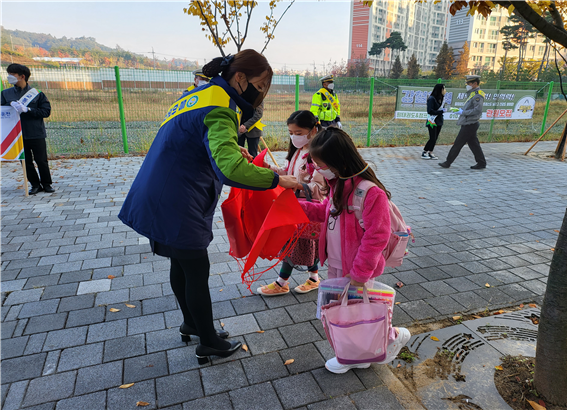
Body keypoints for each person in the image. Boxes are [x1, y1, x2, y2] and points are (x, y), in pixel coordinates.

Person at [118, 50, 299, 365]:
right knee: (197, 269)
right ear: (239, 78)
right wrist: (276, 179)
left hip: (161, 191)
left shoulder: (202, 94)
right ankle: (209, 342)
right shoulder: (221, 106)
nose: (261, 92)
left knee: (182, 264)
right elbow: (228, 169)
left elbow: (197, 140)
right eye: (259, 84)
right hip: (177, 200)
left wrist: (236, 149)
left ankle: (193, 323)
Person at [299, 128, 411, 374]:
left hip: (358, 269)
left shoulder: (370, 193)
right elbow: (326, 213)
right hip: (339, 265)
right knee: (345, 313)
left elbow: (377, 236)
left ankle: (390, 337)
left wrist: (359, 274)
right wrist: (298, 207)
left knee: (355, 314)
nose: (317, 169)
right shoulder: (339, 185)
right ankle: (358, 355)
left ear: (339, 163)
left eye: (321, 164)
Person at [257, 110, 326, 296]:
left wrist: (298, 185)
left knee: (295, 245)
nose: (294, 137)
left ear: (313, 130)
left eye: (298, 133)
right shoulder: (298, 151)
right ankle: (313, 279)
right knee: (301, 245)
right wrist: (267, 167)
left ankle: (281, 283)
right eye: (291, 133)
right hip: (295, 206)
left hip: (310, 210)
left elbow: (321, 188)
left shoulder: (318, 154)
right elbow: (286, 172)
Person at [1, 63, 53, 195]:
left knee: (41, 160)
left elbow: (46, 112)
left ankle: (47, 184)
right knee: (26, 161)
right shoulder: (5, 94)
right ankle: (35, 185)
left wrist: (28, 109)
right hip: (17, 134)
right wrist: (8, 106)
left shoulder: (37, 94)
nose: (9, 77)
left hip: (36, 133)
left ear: (22, 76)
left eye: (12, 75)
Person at [439, 75, 487, 169]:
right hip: (469, 122)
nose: (467, 85)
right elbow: (470, 107)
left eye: (469, 83)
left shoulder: (478, 95)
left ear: (475, 83)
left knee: (458, 143)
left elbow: (477, 110)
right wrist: (460, 110)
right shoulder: (473, 94)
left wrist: (462, 112)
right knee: (474, 144)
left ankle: (448, 162)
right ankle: (481, 163)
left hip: (470, 123)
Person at [422, 83, 446, 160]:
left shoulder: (441, 98)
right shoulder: (431, 99)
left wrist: (442, 111)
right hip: (432, 121)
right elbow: (430, 111)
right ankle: (424, 152)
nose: (444, 90)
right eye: (443, 89)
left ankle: (430, 152)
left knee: (435, 138)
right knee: (432, 138)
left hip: (439, 120)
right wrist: (440, 112)